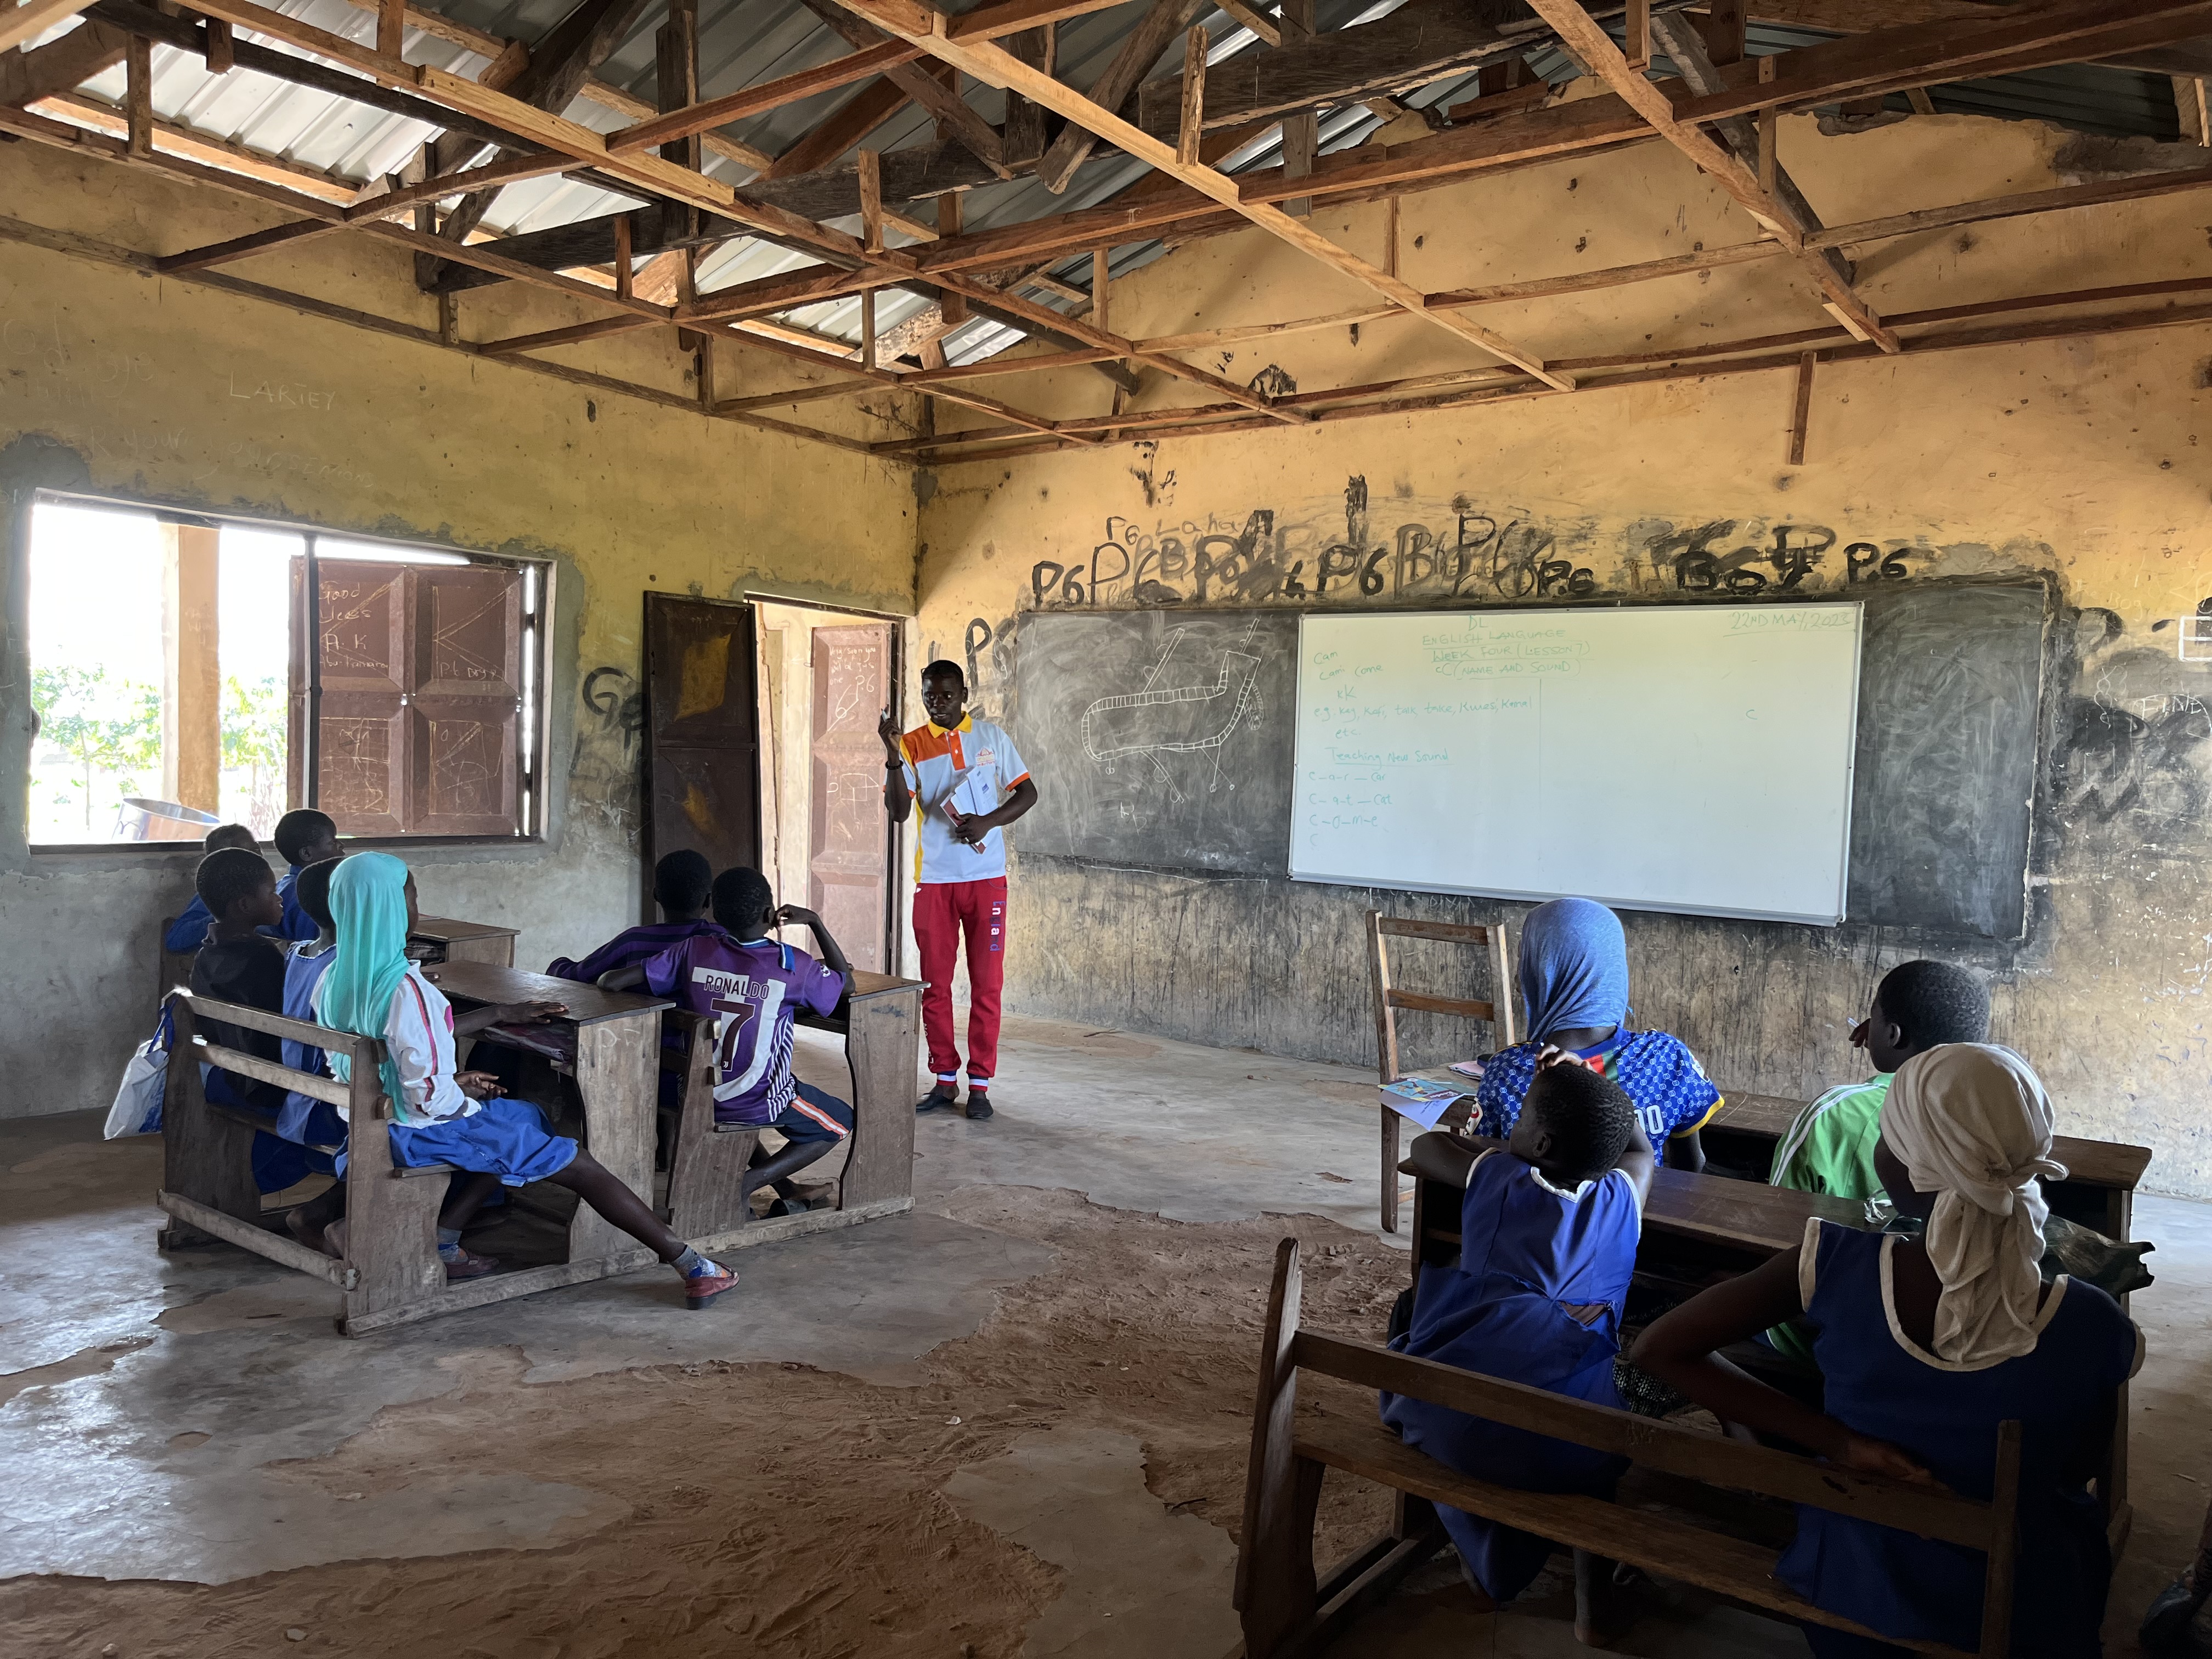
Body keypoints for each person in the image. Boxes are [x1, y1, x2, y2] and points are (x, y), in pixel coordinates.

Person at [1633, 1045, 2142, 1658]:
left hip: (1858, 1589)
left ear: (1911, 1166)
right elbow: (2074, 1468)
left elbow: (1659, 1349)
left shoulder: (1833, 1265)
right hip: (2023, 1614)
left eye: (1889, 1136)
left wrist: (1839, 1442)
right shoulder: (2092, 1322)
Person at [315, 851, 736, 1306]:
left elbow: (394, 1048)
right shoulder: (406, 989)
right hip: (421, 1131)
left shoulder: (337, 977)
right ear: (393, 910)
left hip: (369, 1121)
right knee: (580, 1164)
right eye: (413, 897)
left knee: (526, 1115)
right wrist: (459, 1089)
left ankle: (446, 1238)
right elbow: (428, 1097)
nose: (417, 906)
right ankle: (693, 1264)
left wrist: (494, 1018)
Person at [1381, 1057, 1656, 1641]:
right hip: (1575, 1448)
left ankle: (1486, 1567)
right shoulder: (1625, 1193)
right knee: (1587, 1403)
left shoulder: (1501, 1177)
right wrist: (1602, 1092)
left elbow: (1428, 1146)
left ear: (1541, 1141)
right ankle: (1592, 1602)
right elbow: (1641, 1149)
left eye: (1522, 1118)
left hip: (1456, 1421)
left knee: (1441, 1353)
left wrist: (1499, 1153)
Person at [602, 868, 856, 1218]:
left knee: (730, 1093)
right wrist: (814, 922)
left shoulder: (693, 949)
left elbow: (611, 982)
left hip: (693, 1094)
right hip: (758, 1098)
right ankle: (748, 1182)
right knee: (840, 1121)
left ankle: (781, 1187)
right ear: (771, 916)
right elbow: (847, 985)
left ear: (716, 916)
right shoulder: (792, 964)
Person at [879, 660, 1039, 1120]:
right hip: (936, 882)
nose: (938, 702)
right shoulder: (910, 744)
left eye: (947, 694)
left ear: (963, 694)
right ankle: (944, 1080)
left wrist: (988, 821)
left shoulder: (991, 738)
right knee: (936, 985)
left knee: (987, 984)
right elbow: (898, 811)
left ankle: (981, 1084)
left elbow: (1028, 794)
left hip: (986, 880)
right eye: (930, 694)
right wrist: (892, 753)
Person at [1474, 897, 1722, 1170]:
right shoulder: (1668, 1057)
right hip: (1638, 1209)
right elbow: (1693, 1166)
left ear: (1540, 973)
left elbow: (1480, 1166)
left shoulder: (1507, 1070)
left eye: (1526, 958)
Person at [1773, 959, 1990, 1202]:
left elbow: (1780, 1210)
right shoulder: (1998, 1114)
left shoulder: (1833, 1114)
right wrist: (1883, 1030)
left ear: (1893, 1034)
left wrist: (1883, 1036)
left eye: (1873, 1016)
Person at [545, 848, 730, 981]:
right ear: (708, 901)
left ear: (656, 896)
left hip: (638, 1035)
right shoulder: (722, 940)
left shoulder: (633, 941)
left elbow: (577, 975)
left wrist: (557, 964)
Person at [163, 823, 263, 953]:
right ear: (220, 864)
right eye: (243, 854)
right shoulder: (216, 894)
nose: (255, 858)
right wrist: (222, 917)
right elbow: (174, 941)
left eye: (256, 850)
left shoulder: (270, 891)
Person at [272, 809, 342, 942]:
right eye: (333, 842)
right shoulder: (310, 895)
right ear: (306, 854)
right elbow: (312, 948)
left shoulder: (283, 884)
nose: (341, 846)